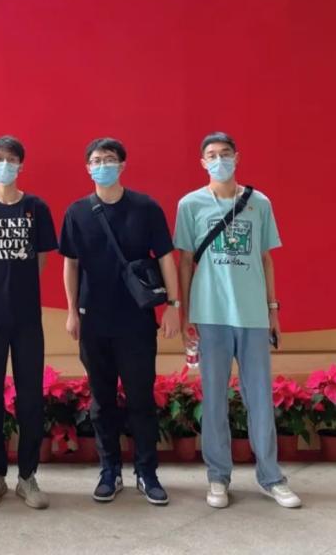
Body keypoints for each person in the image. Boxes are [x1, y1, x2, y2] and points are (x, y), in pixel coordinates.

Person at [174, 132, 301, 510]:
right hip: (210, 315)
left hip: (252, 316)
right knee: (214, 399)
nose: (219, 160)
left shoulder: (259, 203)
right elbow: (184, 262)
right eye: (211, 155)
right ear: (202, 162)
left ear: (237, 157)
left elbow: (265, 259)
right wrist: (185, 315)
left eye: (225, 153)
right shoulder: (190, 204)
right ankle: (218, 477)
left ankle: (271, 477)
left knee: (259, 397)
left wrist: (273, 310)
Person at [60, 138, 180, 506]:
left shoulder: (146, 208)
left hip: (136, 321)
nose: (103, 166)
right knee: (102, 401)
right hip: (93, 320)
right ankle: (109, 471)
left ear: (123, 165)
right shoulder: (77, 212)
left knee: (141, 398)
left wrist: (173, 305)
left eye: (109, 159)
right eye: (96, 161)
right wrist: (71, 311)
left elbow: (165, 257)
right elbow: (70, 265)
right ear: (87, 168)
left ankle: (147, 472)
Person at [0, 135, 58, 509]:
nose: (5, 164)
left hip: (27, 317)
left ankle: (27, 477)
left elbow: (41, 259)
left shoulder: (36, 207)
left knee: (30, 396)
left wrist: (18, 288)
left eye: (11, 159)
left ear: (21, 165)